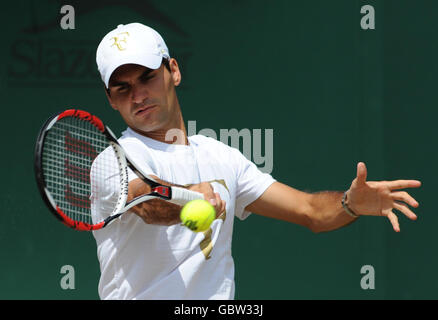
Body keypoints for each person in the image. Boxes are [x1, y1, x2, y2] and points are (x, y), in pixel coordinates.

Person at [93, 22, 421, 300]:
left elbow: (311, 212)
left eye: (147, 77)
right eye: (123, 88)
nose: (137, 96)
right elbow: (146, 202)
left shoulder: (222, 157)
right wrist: (189, 197)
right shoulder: (112, 161)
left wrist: (350, 203)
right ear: (111, 99)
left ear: (173, 71)